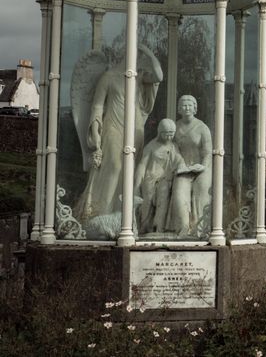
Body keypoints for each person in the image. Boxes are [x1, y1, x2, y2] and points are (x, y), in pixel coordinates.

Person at [74, 45, 162, 224]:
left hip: (135, 126)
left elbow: (159, 76)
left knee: (132, 169)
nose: (139, 61)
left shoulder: (139, 78)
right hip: (113, 125)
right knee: (114, 165)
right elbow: (97, 105)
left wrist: (148, 52)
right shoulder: (108, 77)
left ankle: (125, 216)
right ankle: (101, 214)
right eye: (137, 56)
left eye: (139, 57)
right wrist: (94, 128)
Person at [168, 95, 212, 237]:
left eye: (189, 105)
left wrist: (203, 166)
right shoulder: (175, 127)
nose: (186, 108)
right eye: (183, 105)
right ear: (179, 109)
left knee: (202, 190)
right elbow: (172, 150)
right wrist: (180, 165)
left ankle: (201, 229)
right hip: (183, 168)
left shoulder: (202, 128)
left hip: (201, 169)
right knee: (179, 193)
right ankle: (184, 228)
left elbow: (207, 152)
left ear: (195, 108)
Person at [135, 119, 184, 234]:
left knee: (163, 201)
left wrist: (183, 167)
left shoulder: (173, 147)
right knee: (147, 202)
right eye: (166, 134)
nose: (168, 137)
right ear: (159, 132)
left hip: (165, 180)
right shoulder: (151, 146)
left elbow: (179, 161)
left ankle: (158, 229)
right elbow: (142, 164)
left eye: (171, 134)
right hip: (150, 178)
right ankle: (145, 228)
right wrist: (137, 184)